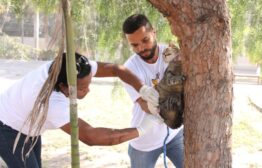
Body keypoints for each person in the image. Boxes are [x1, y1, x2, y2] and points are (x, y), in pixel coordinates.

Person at [0, 52, 160, 168]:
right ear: (63, 87)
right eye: (82, 88)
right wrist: (142, 129)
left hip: (28, 124)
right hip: (8, 128)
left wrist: (143, 89)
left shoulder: (72, 66)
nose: (88, 91)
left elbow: (117, 69)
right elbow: (90, 136)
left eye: (89, 83)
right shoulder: (51, 102)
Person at [122, 14, 184, 168]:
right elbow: (143, 104)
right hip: (144, 142)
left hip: (175, 135)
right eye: (134, 45)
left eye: (145, 40)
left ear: (154, 33)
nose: (141, 48)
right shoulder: (129, 68)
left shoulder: (171, 54)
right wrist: (155, 109)